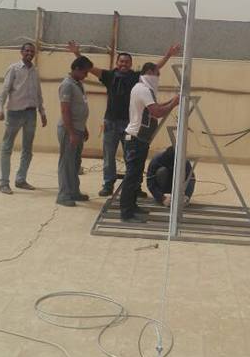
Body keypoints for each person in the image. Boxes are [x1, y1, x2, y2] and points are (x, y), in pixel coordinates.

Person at [67, 41, 180, 197]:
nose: (124, 64)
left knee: (131, 159)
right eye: (121, 61)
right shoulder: (109, 76)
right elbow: (89, 67)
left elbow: (155, 68)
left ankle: (135, 186)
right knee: (109, 156)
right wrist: (76, 53)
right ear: (117, 63)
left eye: (127, 62)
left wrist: (168, 55)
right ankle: (108, 185)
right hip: (110, 122)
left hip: (129, 124)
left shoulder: (136, 77)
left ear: (131, 64)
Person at [120, 63, 179, 222]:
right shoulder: (143, 89)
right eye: (157, 74)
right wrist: (173, 104)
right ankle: (126, 213)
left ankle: (132, 207)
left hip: (140, 140)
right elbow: (157, 112)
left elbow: (156, 107)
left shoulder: (144, 89)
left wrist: (172, 101)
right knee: (131, 177)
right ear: (149, 72)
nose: (158, 78)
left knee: (136, 177)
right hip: (135, 139)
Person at [0, 42, 47, 194]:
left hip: (31, 114)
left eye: (32, 51)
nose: (30, 53)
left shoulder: (35, 71)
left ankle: (21, 179)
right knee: (7, 148)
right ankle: (4, 183)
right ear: (21, 52)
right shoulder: (14, 69)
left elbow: (38, 93)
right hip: (14, 113)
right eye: (27, 51)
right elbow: (4, 90)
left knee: (27, 150)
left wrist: (42, 112)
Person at [56, 56, 93, 206]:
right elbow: (65, 111)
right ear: (77, 69)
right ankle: (63, 195)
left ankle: (74, 191)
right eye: (85, 72)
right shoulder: (67, 85)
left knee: (75, 162)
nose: (86, 75)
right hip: (68, 130)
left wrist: (84, 128)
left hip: (78, 129)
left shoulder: (78, 84)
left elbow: (79, 108)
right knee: (67, 162)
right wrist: (71, 132)